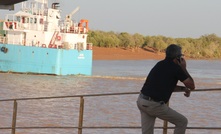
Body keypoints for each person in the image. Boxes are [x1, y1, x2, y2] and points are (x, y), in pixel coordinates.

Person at [137, 44, 195, 134]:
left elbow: (165, 85)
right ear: (177, 58)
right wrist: (184, 69)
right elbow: (192, 85)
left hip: (142, 101)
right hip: (154, 105)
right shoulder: (176, 69)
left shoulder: (159, 64)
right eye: (181, 56)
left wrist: (183, 88)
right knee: (182, 122)